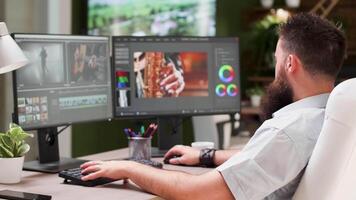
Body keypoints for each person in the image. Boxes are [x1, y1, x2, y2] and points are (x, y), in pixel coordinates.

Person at [80, 13, 346, 200]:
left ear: (290, 64)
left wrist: (129, 167)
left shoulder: (288, 132)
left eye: (277, 60)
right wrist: (206, 155)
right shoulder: (328, 119)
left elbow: (195, 193)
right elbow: (263, 160)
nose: (276, 69)